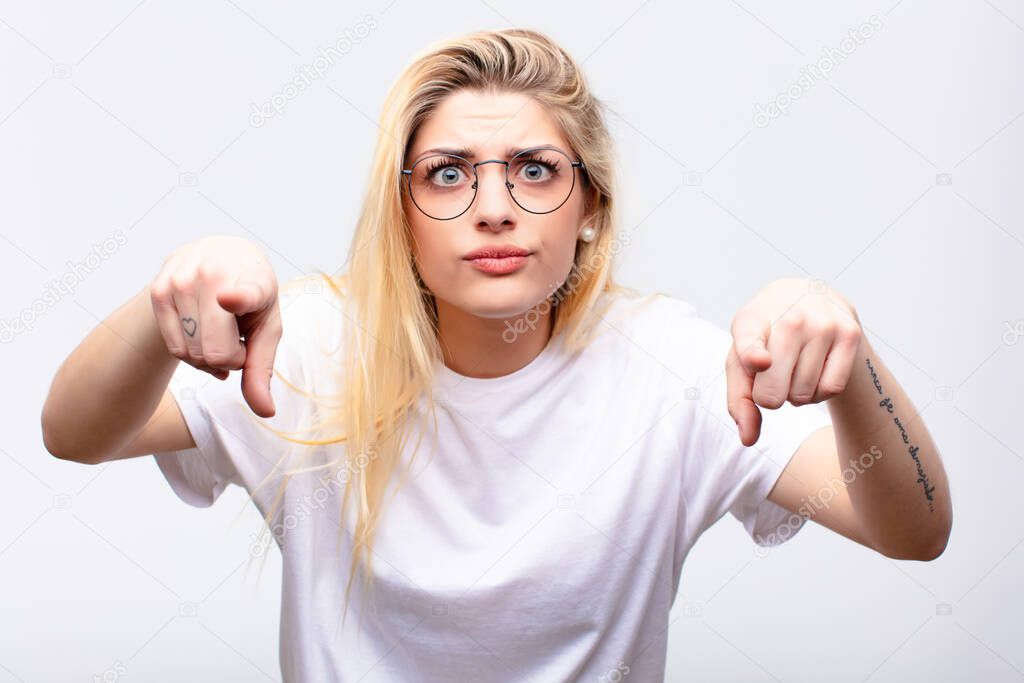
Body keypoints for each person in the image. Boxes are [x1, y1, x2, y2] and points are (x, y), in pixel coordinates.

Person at [42, 28, 951, 683]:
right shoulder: (308, 350)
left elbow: (914, 533)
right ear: (401, 211)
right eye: (447, 172)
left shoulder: (671, 370)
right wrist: (166, 297)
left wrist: (853, 359)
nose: (493, 207)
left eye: (535, 169)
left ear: (590, 205)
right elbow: (73, 432)